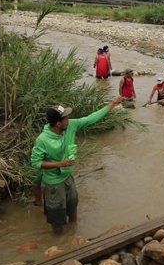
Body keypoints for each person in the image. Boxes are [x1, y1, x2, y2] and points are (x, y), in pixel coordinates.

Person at [30, 95, 124, 233]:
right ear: (58, 124)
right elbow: (36, 162)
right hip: (54, 183)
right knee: (56, 217)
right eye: (66, 118)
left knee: (73, 207)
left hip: (68, 177)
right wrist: (61, 164)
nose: (69, 120)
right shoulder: (42, 140)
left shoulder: (71, 126)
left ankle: (73, 236)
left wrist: (112, 104)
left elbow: (91, 118)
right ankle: (60, 243)